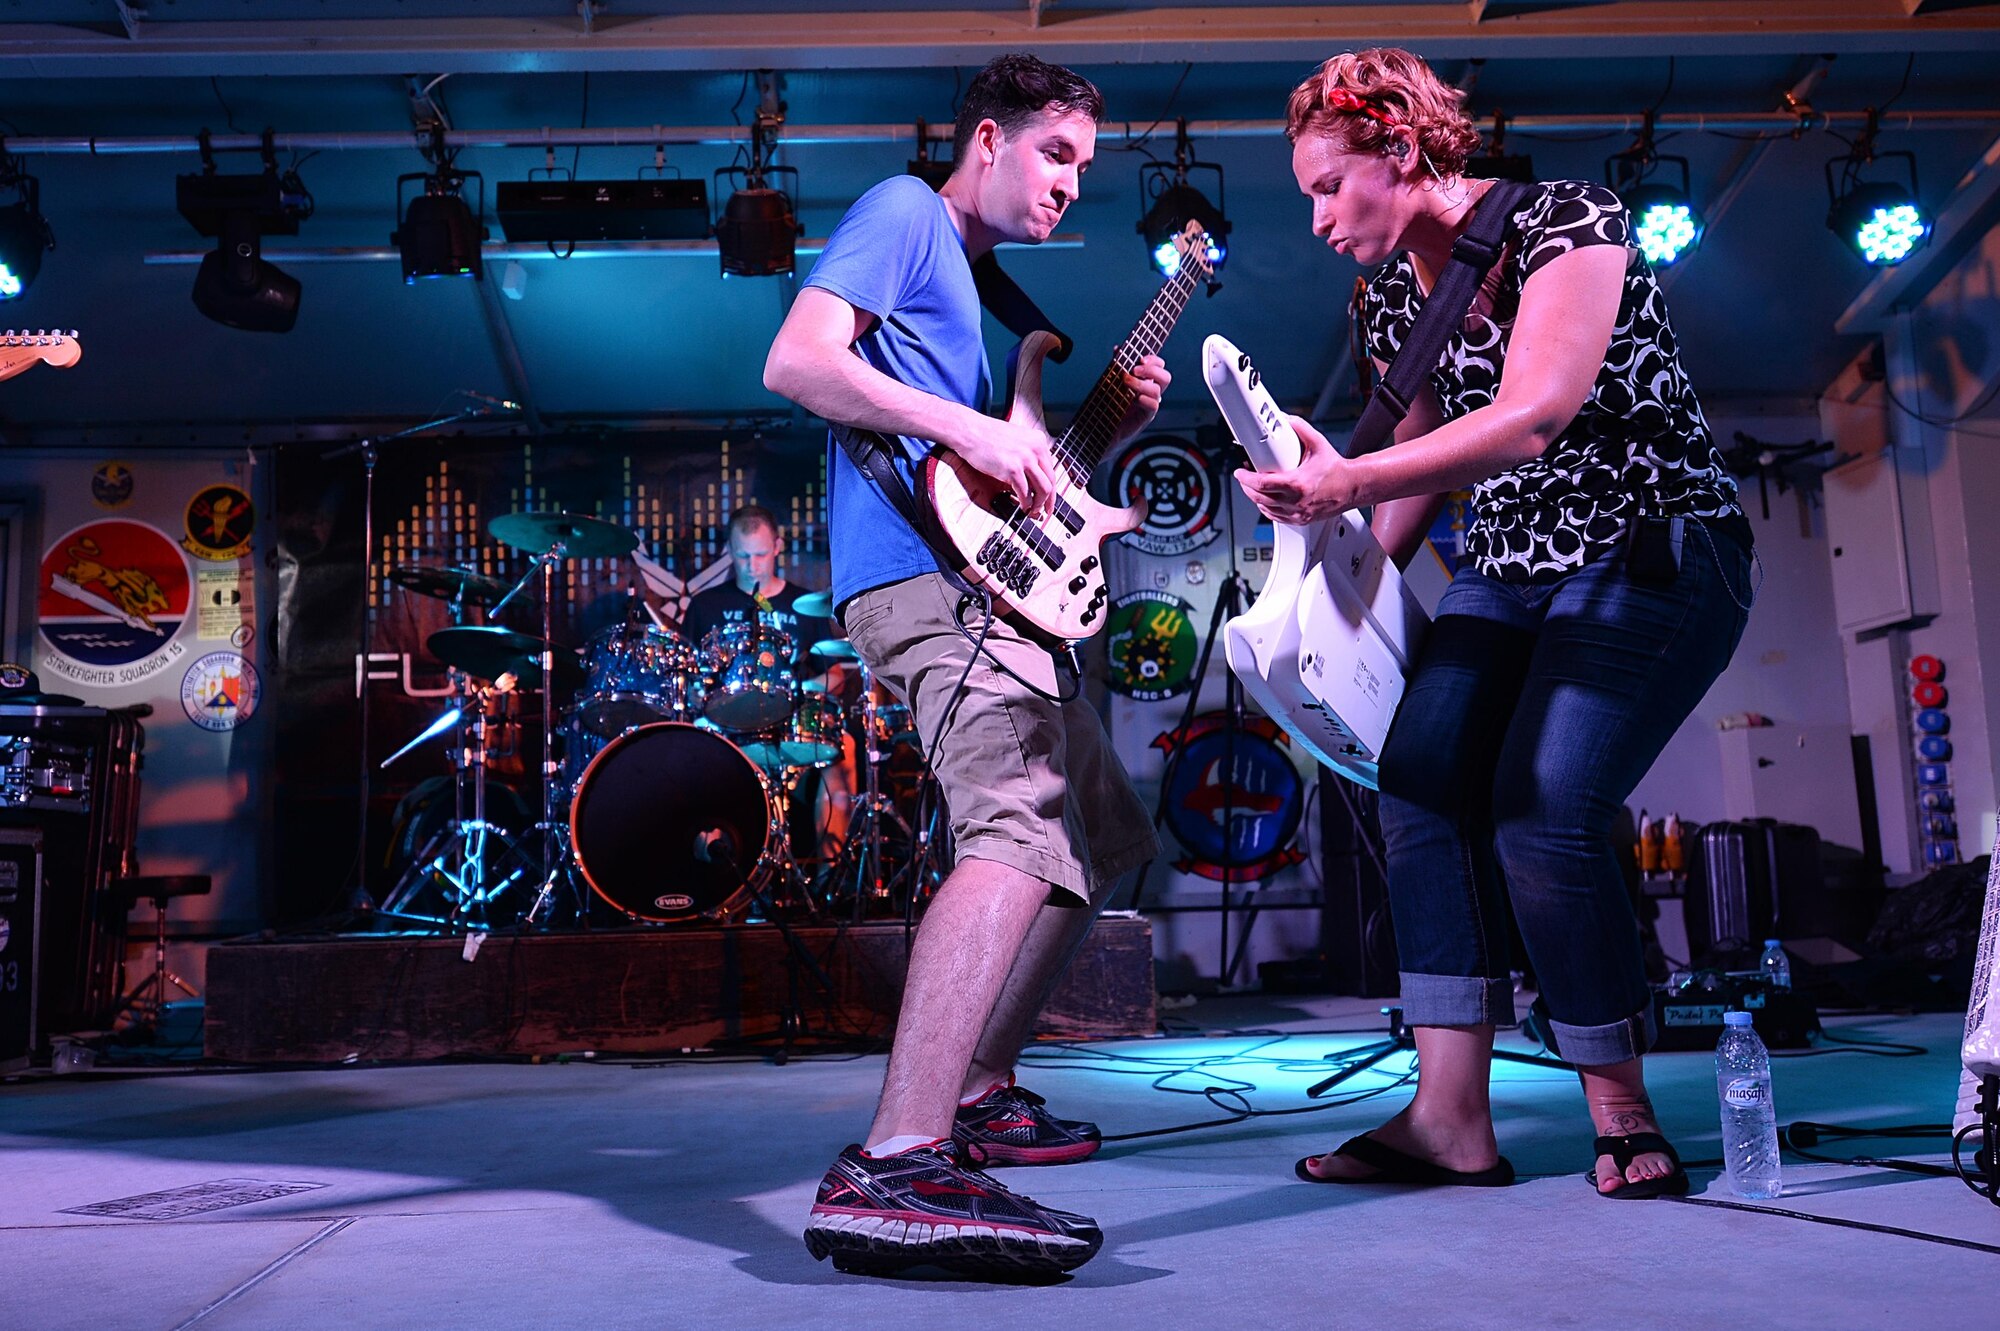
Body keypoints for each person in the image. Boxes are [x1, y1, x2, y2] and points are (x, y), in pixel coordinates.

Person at [1237, 47, 1754, 1200]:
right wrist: (1324, 591)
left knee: (1540, 803)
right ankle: (1448, 1119)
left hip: (1650, 545)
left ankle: (1617, 1104)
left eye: (1329, 187)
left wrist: (1350, 483)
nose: (1317, 220)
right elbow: (1413, 468)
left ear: (1403, 151)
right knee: (1417, 774)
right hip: (1507, 566)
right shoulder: (1385, 296)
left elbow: (1529, 417)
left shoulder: (1567, 220)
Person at [763, 52, 1169, 1276]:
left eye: (1084, 169)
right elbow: (797, 363)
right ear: (983, 139)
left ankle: (982, 1086)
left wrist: (1089, 431)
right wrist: (974, 423)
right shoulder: (903, 212)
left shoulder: (976, 285)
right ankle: (896, 1157)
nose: (1068, 188)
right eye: (1054, 155)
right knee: (1014, 821)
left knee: (1104, 836)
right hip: (919, 585)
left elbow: (1000, 467)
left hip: (986, 581)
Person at [679, 503, 851, 855]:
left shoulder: (804, 604)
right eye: (742, 556)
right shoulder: (706, 606)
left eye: (760, 554)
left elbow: (835, 674)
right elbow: (687, 677)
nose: (752, 565)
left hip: (792, 722)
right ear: (728, 551)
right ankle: (723, 884)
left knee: (842, 756)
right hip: (728, 727)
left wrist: (796, 692)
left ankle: (828, 887)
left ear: (777, 546)